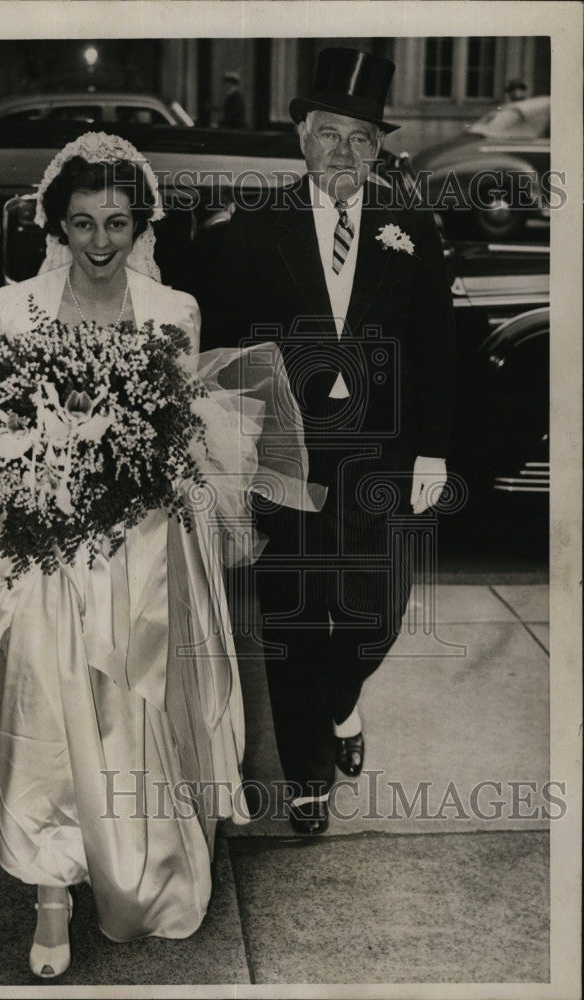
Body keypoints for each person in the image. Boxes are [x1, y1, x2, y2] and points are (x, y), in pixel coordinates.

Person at [0, 133, 253, 978]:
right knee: (52, 718)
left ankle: (142, 868)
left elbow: (188, 436)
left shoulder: (175, 312)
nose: (101, 242)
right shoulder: (9, 309)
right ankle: (52, 889)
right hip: (50, 551)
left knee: (134, 718)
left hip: (144, 551)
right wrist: (39, 491)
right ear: (55, 223)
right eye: (84, 222)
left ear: (141, 226)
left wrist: (146, 481)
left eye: (118, 223)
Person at [210, 47, 456, 834]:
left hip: (380, 452)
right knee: (289, 615)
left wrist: (432, 449)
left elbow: (437, 346)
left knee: (376, 610)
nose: (342, 152)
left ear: (378, 148)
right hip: (285, 453)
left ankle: (343, 700)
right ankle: (309, 774)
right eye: (327, 134)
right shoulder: (255, 229)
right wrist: (235, 451)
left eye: (360, 137)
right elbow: (226, 347)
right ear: (300, 137)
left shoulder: (409, 228)